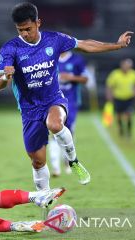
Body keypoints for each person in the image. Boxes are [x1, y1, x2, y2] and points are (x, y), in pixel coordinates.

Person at [0, 2, 133, 189]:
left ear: (38, 23)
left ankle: (73, 161)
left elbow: (85, 45)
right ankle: (44, 204)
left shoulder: (54, 39)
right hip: (29, 109)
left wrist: (117, 45)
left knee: (55, 124)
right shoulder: (10, 49)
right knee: (37, 162)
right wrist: (5, 77)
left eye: (28, 28)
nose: (25, 34)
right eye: (20, 30)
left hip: (53, 99)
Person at [49, 49, 88, 177]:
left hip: (71, 101)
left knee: (68, 132)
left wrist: (71, 77)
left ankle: (67, 162)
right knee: (53, 130)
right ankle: (55, 167)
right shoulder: (50, 58)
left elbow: (85, 78)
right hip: (52, 100)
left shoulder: (77, 59)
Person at [106, 58, 135, 138]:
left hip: (129, 98)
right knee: (118, 115)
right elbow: (110, 86)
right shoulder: (115, 74)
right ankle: (121, 129)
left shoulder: (134, 74)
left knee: (129, 114)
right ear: (122, 65)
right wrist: (109, 95)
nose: (127, 67)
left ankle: (129, 132)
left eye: (129, 66)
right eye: (125, 65)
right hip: (118, 98)